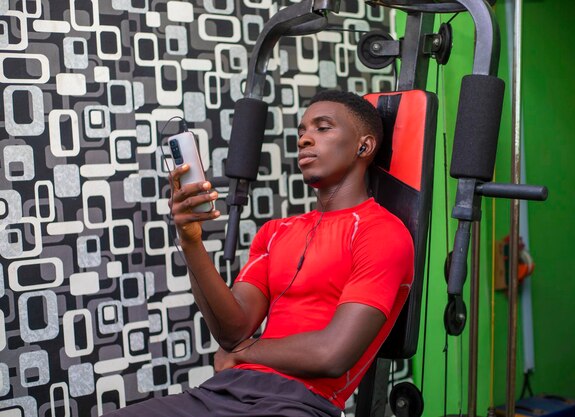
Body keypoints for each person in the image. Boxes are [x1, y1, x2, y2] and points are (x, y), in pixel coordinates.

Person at [105, 90, 414, 417]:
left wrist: (244, 353)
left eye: (323, 128)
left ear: (363, 146)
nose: (305, 139)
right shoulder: (276, 233)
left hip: (298, 403)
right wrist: (190, 241)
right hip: (222, 392)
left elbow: (332, 354)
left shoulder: (381, 233)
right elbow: (232, 331)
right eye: (302, 132)